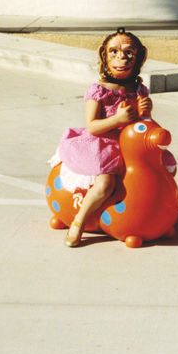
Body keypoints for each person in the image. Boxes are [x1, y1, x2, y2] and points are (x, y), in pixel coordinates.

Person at [53, 28, 152, 247]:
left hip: (129, 145)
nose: (121, 58)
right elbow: (93, 126)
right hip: (103, 145)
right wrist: (118, 119)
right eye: (114, 52)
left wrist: (145, 113)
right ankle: (78, 222)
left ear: (138, 58)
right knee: (106, 184)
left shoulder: (139, 89)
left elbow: (145, 126)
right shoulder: (99, 90)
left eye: (128, 53)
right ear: (104, 56)